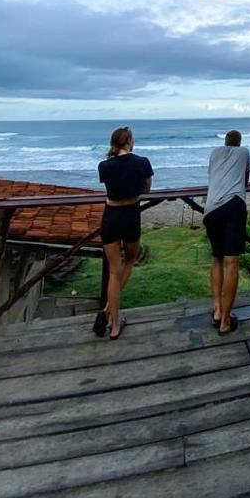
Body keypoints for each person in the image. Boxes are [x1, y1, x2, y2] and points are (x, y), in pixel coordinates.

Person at [94, 127, 153, 340]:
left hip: (110, 217)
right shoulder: (142, 162)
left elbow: (109, 188)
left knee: (113, 272)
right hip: (130, 216)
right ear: (128, 141)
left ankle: (114, 322)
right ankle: (108, 311)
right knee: (130, 260)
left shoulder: (104, 166)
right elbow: (146, 189)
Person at [203, 129, 250, 335]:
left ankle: (217, 309)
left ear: (224, 142)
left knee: (217, 258)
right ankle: (225, 321)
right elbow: (245, 179)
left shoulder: (214, 153)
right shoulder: (244, 152)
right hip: (233, 205)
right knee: (232, 262)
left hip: (211, 208)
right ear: (239, 143)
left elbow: (212, 176)